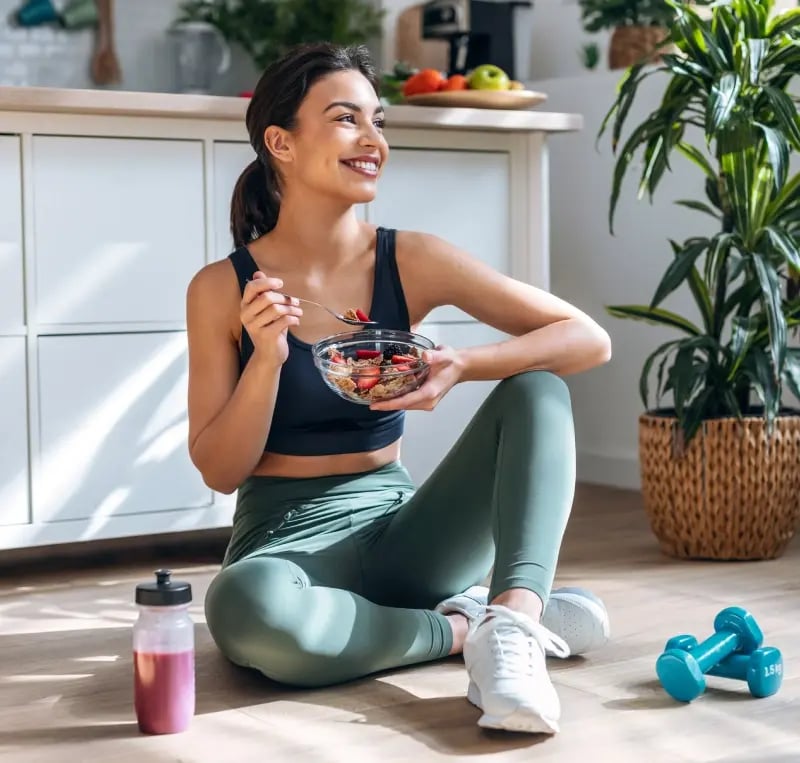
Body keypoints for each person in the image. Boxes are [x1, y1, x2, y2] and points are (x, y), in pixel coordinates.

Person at [186, 41, 613, 736]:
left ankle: (515, 627)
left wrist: (463, 364)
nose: (374, 140)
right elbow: (220, 468)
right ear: (280, 142)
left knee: (537, 387)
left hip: (409, 535)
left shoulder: (409, 258)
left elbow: (587, 338)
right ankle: (462, 625)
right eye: (347, 119)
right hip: (282, 544)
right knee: (245, 608)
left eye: (378, 121)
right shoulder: (221, 288)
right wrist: (265, 357)